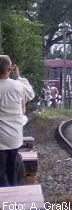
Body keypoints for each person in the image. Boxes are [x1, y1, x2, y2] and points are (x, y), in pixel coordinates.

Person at [0, 55, 35, 187]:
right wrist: (18, 77)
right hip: (14, 138)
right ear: (10, 69)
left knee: (1, 174)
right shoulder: (18, 86)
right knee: (12, 171)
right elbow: (31, 94)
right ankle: (13, 201)